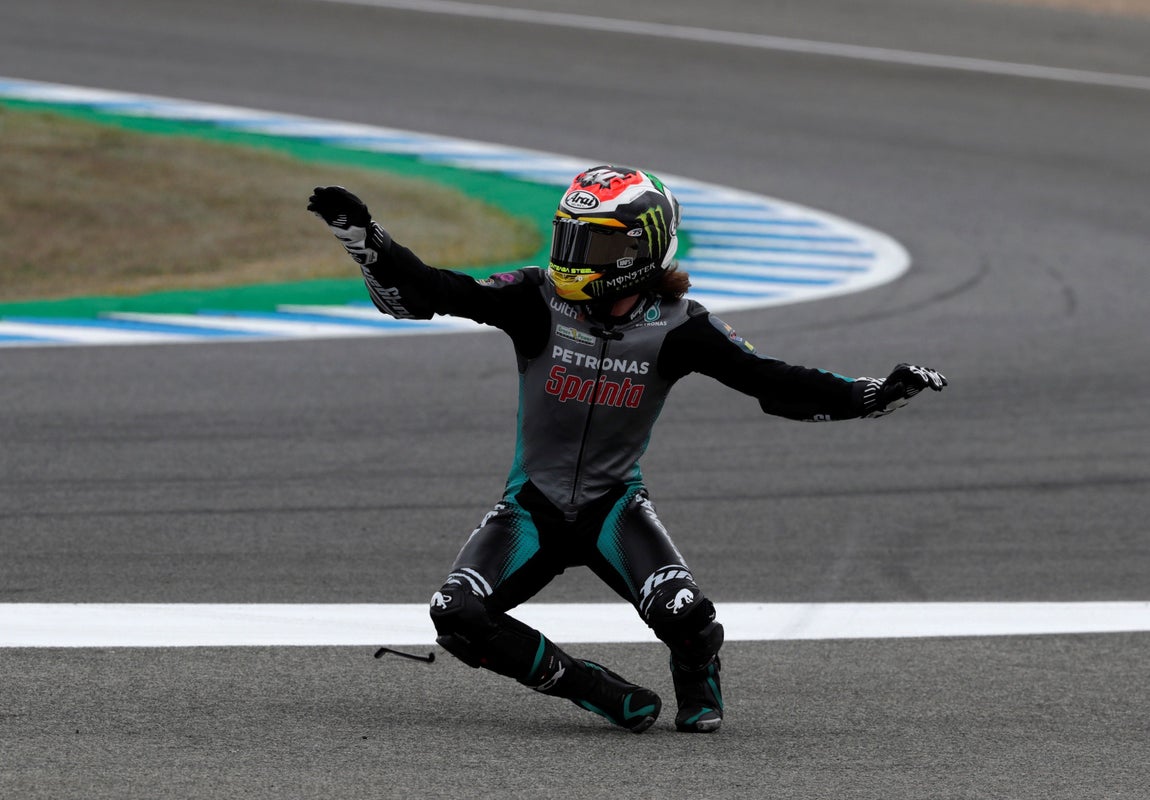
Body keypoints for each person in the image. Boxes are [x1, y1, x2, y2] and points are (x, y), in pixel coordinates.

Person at [307, 165, 946, 734]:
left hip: (614, 508)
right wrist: (366, 241)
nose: (574, 254)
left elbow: (772, 382)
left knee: (689, 616)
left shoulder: (680, 328)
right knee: (455, 614)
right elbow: (434, 292)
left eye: (598, 242)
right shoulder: (536, 300)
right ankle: (596, 690)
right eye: (569, 236)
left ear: (641, 248)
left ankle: (697, 674)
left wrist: (870, 394)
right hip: (530, 508)